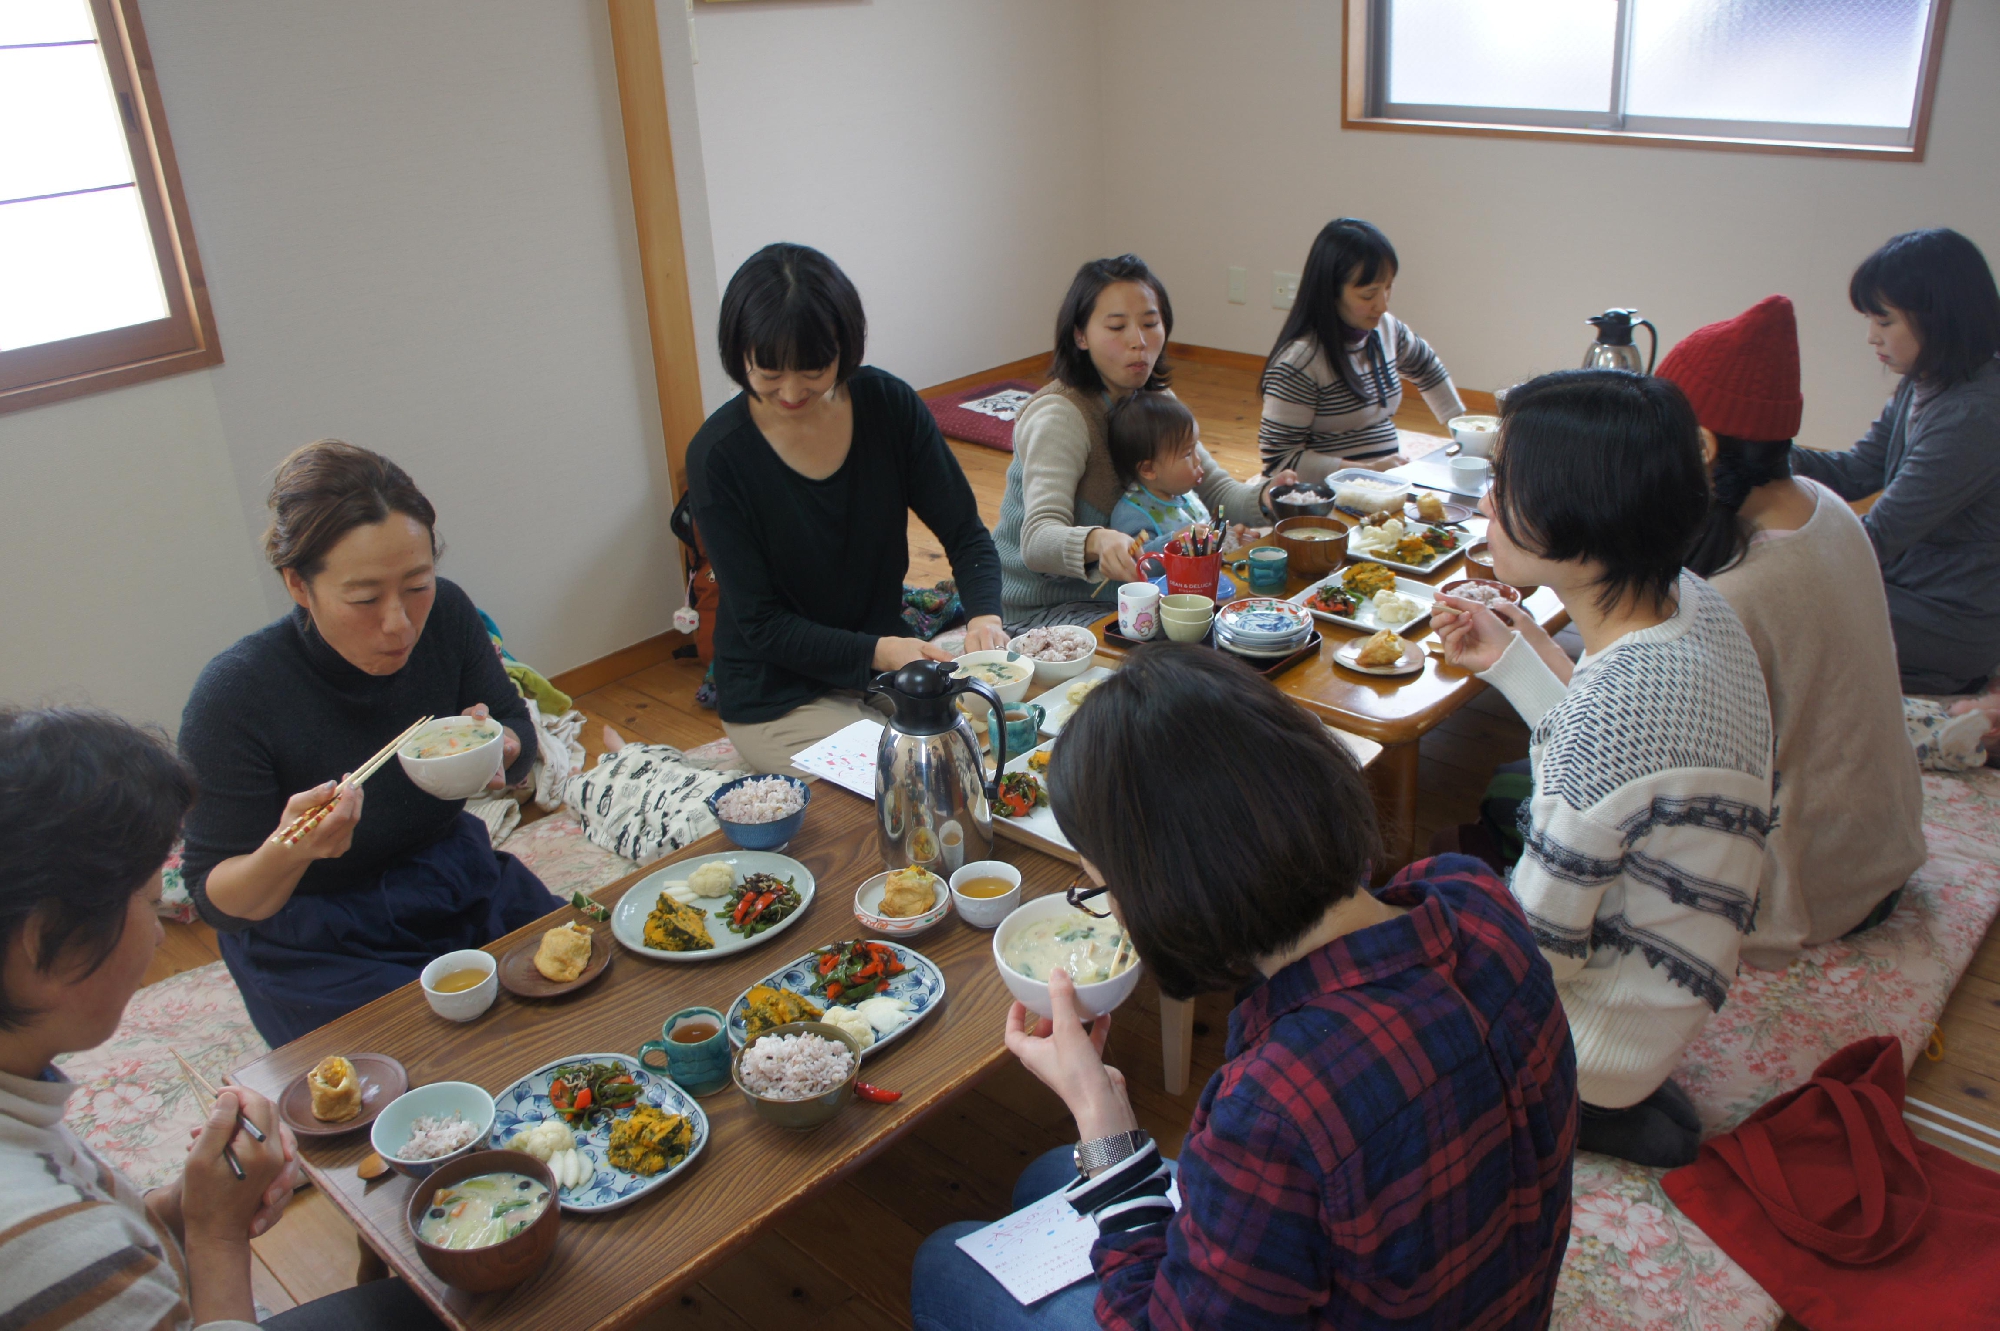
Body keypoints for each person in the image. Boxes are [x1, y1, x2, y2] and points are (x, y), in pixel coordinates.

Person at [910, 646, 1578, 1330]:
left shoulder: (1274, 1106)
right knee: (1051, 1176)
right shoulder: (1475, 897)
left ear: (1172, 886)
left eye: (1105, 888)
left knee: (943, 1261)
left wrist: (1102, 1124)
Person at [0, 707, 444, 1329]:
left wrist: (180, 1207)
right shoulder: (45, 1245)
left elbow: (112, 1229)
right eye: (150, 904)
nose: (158, 936)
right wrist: (216, 1234)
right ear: (46, 940)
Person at [1434, 369, 1773, 1168]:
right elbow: (1615, 775)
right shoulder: (1696, 604)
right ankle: (1612, 1099)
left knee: (1425, 910)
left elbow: (1535, 953)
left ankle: (1572, 1101)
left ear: (1573, 520)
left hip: (1598, 1039)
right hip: (1671, 986)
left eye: (1500, 484)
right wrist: (1517, 660)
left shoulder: (1612, 717)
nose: (1485, 503)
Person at [180, 441, 558, 1047]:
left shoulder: (449, 614)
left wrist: (501, 750)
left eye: (416, 585)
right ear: (298, 586)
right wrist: (291, 848)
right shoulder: (235, 694)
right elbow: (217, 897)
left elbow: (519, 732)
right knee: (427, 1074)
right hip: (313, 933)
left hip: (452, 875)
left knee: (583, 976)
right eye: (364, 599)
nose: (399, 623)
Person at [1659, 295, 1926, 966]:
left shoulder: (1741, 589)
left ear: (1703, 445)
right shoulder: (1830, 508)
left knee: (1519, 799)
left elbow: (1658, 755)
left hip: (1812, 885)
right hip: (1882, 846)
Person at [686, 243, 1007, 774]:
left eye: (813, 368)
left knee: (997, 736)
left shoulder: (887, 406)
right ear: (737, 351)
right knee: (914, 779)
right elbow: (763, 625)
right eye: (767, 371)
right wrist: (882, 651)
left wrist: (985, 618)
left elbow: (965, 533)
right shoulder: (720, 457)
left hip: (872, 673)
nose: (791, 391)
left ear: (844, 346)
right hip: (777, 695)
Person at [994, 255, 1294, 629]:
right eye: (1117, 327)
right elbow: (1038, 540)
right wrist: (1099, 540)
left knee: (1255, 617)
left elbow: (1213, 488)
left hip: (1138, 589)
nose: (1138, 342)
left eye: (1150, 323)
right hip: (1049, 609)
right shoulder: (1061, 417)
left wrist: (1267, 497)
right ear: (1080, 336)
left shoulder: (1158, 400)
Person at [1789, 228, 2000, 701]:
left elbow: (1876, 538)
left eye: (1884, 322)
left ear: (1938, 318)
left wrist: (1766, 555)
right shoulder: (1926, 380)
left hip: (1946, 618)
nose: (1871, 338)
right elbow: (1858, 469)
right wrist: (1763, 448)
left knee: (1771, 609)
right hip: (1905, 587)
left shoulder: (1976, 413)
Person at [1258, 218, 1466, 480]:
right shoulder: (1300, 362)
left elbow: (1426, 367)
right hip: (1328, 496)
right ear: (1331, 292)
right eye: (1368, 295)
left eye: (1388, 288)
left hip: (1382, 485)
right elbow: (1279, 461)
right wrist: (1365, 472)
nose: (1382, 305)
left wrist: (1464, 436)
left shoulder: (1386, 330)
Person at [1104, 392, 1218, 555]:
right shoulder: (1132, 514)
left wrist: (1226, 536)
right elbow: (1137, 560)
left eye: (1195, 449)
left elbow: (1204, 530)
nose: (1198, 460)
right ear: (1148, 470)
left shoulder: (1181, 494)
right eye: (1187, 454)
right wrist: (1175, 542)